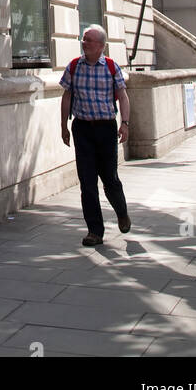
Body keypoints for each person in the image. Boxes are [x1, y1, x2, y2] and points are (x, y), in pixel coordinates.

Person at [60, 25, 131, 247]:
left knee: (110, 178)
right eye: (84, 39)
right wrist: (63, 126)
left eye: (89, 40)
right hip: (82, 129)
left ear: (101, 45)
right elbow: (66, 96)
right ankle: (94, 231)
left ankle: (121, 212)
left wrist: (125, 124)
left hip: (106, 129)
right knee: (87, 182)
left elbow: (123, 96)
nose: (85, 43)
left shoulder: (110, 66)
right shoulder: (74, 66)